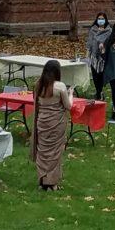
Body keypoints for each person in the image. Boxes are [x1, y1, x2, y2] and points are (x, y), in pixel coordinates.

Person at [29, 60, 72, 191]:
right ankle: (51, 183)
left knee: (43, 150)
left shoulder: (38, 84)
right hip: (56, 123)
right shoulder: (60, 86)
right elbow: (68, 106)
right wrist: (71, 94)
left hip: (42, 121)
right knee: (54, 152)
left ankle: (43, 180)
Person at [86, 12, 112, 101]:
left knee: (100, 75)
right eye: (99, 19)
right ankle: (98, 92)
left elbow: (110, 44)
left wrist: (104, 47)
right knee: (94, 75)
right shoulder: (93, 30)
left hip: (103, 58)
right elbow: (89, 44)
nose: (101, 20)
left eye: (102, 19)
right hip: (94, 57)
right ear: (97, 20)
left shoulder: (109, 31)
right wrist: (87, 56)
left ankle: (100, 92)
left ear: (105, 20)